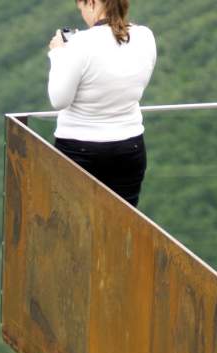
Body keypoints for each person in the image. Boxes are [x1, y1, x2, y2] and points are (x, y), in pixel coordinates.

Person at [47, 0, 158, 206]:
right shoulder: (145, 36)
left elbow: (59, 100)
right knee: (122, 219)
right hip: (129, 145)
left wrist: (58, 54)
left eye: (82, 8)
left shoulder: (79, 43)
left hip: (79, 147)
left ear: (92, 3)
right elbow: (138, 85)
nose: (83, 15)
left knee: (72, 220)